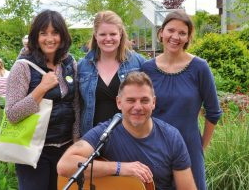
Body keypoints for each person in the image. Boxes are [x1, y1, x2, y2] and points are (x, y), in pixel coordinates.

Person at [58, 72, 197, 190]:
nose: (138, 107)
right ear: (119, 102)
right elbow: (64, 165)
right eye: (130, 100)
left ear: (153, 102)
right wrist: (119, 168)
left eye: (144, 100)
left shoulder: (171, 137)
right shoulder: (106, 132)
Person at [141, 10, 222, 190]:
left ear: (188, 38)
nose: (175, 37)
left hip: (189, 148)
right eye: (171, 30)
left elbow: (214, 112)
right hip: (155, 149)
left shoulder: (200, 68)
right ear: (161, 32)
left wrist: (201, 147)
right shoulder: (147, 69)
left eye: (182, 33)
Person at [5, 10, 80, 190]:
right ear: (35, 36)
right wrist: (41, 89)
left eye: (55, 33)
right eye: (43, 33)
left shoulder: (70, 63)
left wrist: (77, 143)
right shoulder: (23, 67)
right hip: (34, 151)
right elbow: (12, 114)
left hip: (65, 149)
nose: (50, 38)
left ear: (62, 36)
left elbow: (76, 105)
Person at [78, 10, 146, 135]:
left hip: (130, 137)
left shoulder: (138, 63)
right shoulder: (83, 66)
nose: (108, 39)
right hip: (93, 138)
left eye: (113, 34)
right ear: (95, 35)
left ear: (120, 34)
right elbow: (77, 106)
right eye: (103, 34)